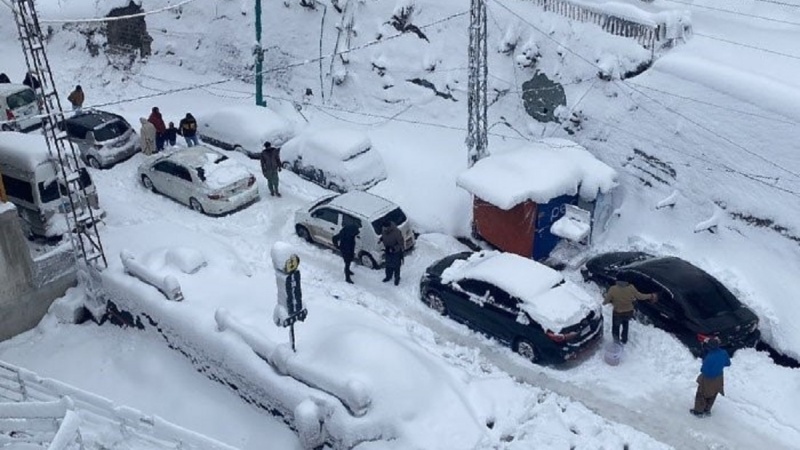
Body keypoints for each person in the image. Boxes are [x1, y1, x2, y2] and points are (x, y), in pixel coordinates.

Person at [603, 277, 657, 344]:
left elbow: (605, 302)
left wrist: (608, 299)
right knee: (625, 325)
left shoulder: (613, 289)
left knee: (616, 327)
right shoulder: (631, 288)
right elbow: (640, 296)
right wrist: (651, 296)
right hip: (628, 312)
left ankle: (616, 342)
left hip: (617, 313)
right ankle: (624, 340)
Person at [691, 337, 731, 417]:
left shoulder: (709, 357)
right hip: (719, 377)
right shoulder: (723, 352)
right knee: (713, 394)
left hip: (707, 379)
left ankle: (698, 411)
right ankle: (707, 410)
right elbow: (728, 363)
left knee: (702, 394)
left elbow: (703, 369)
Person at [380, 221, 404, 286]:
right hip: (388, 251)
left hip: (396, 252)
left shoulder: (397, 232)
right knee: (388, 265)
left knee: (396, 266)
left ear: (388, 227)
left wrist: (394, 248)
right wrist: (382, 239)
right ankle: (388, 277)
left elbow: (401, 243)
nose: (384, 229)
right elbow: (384, 236)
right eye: (383, 227)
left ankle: (397, 278)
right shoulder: (383, 230)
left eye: (385, 228)